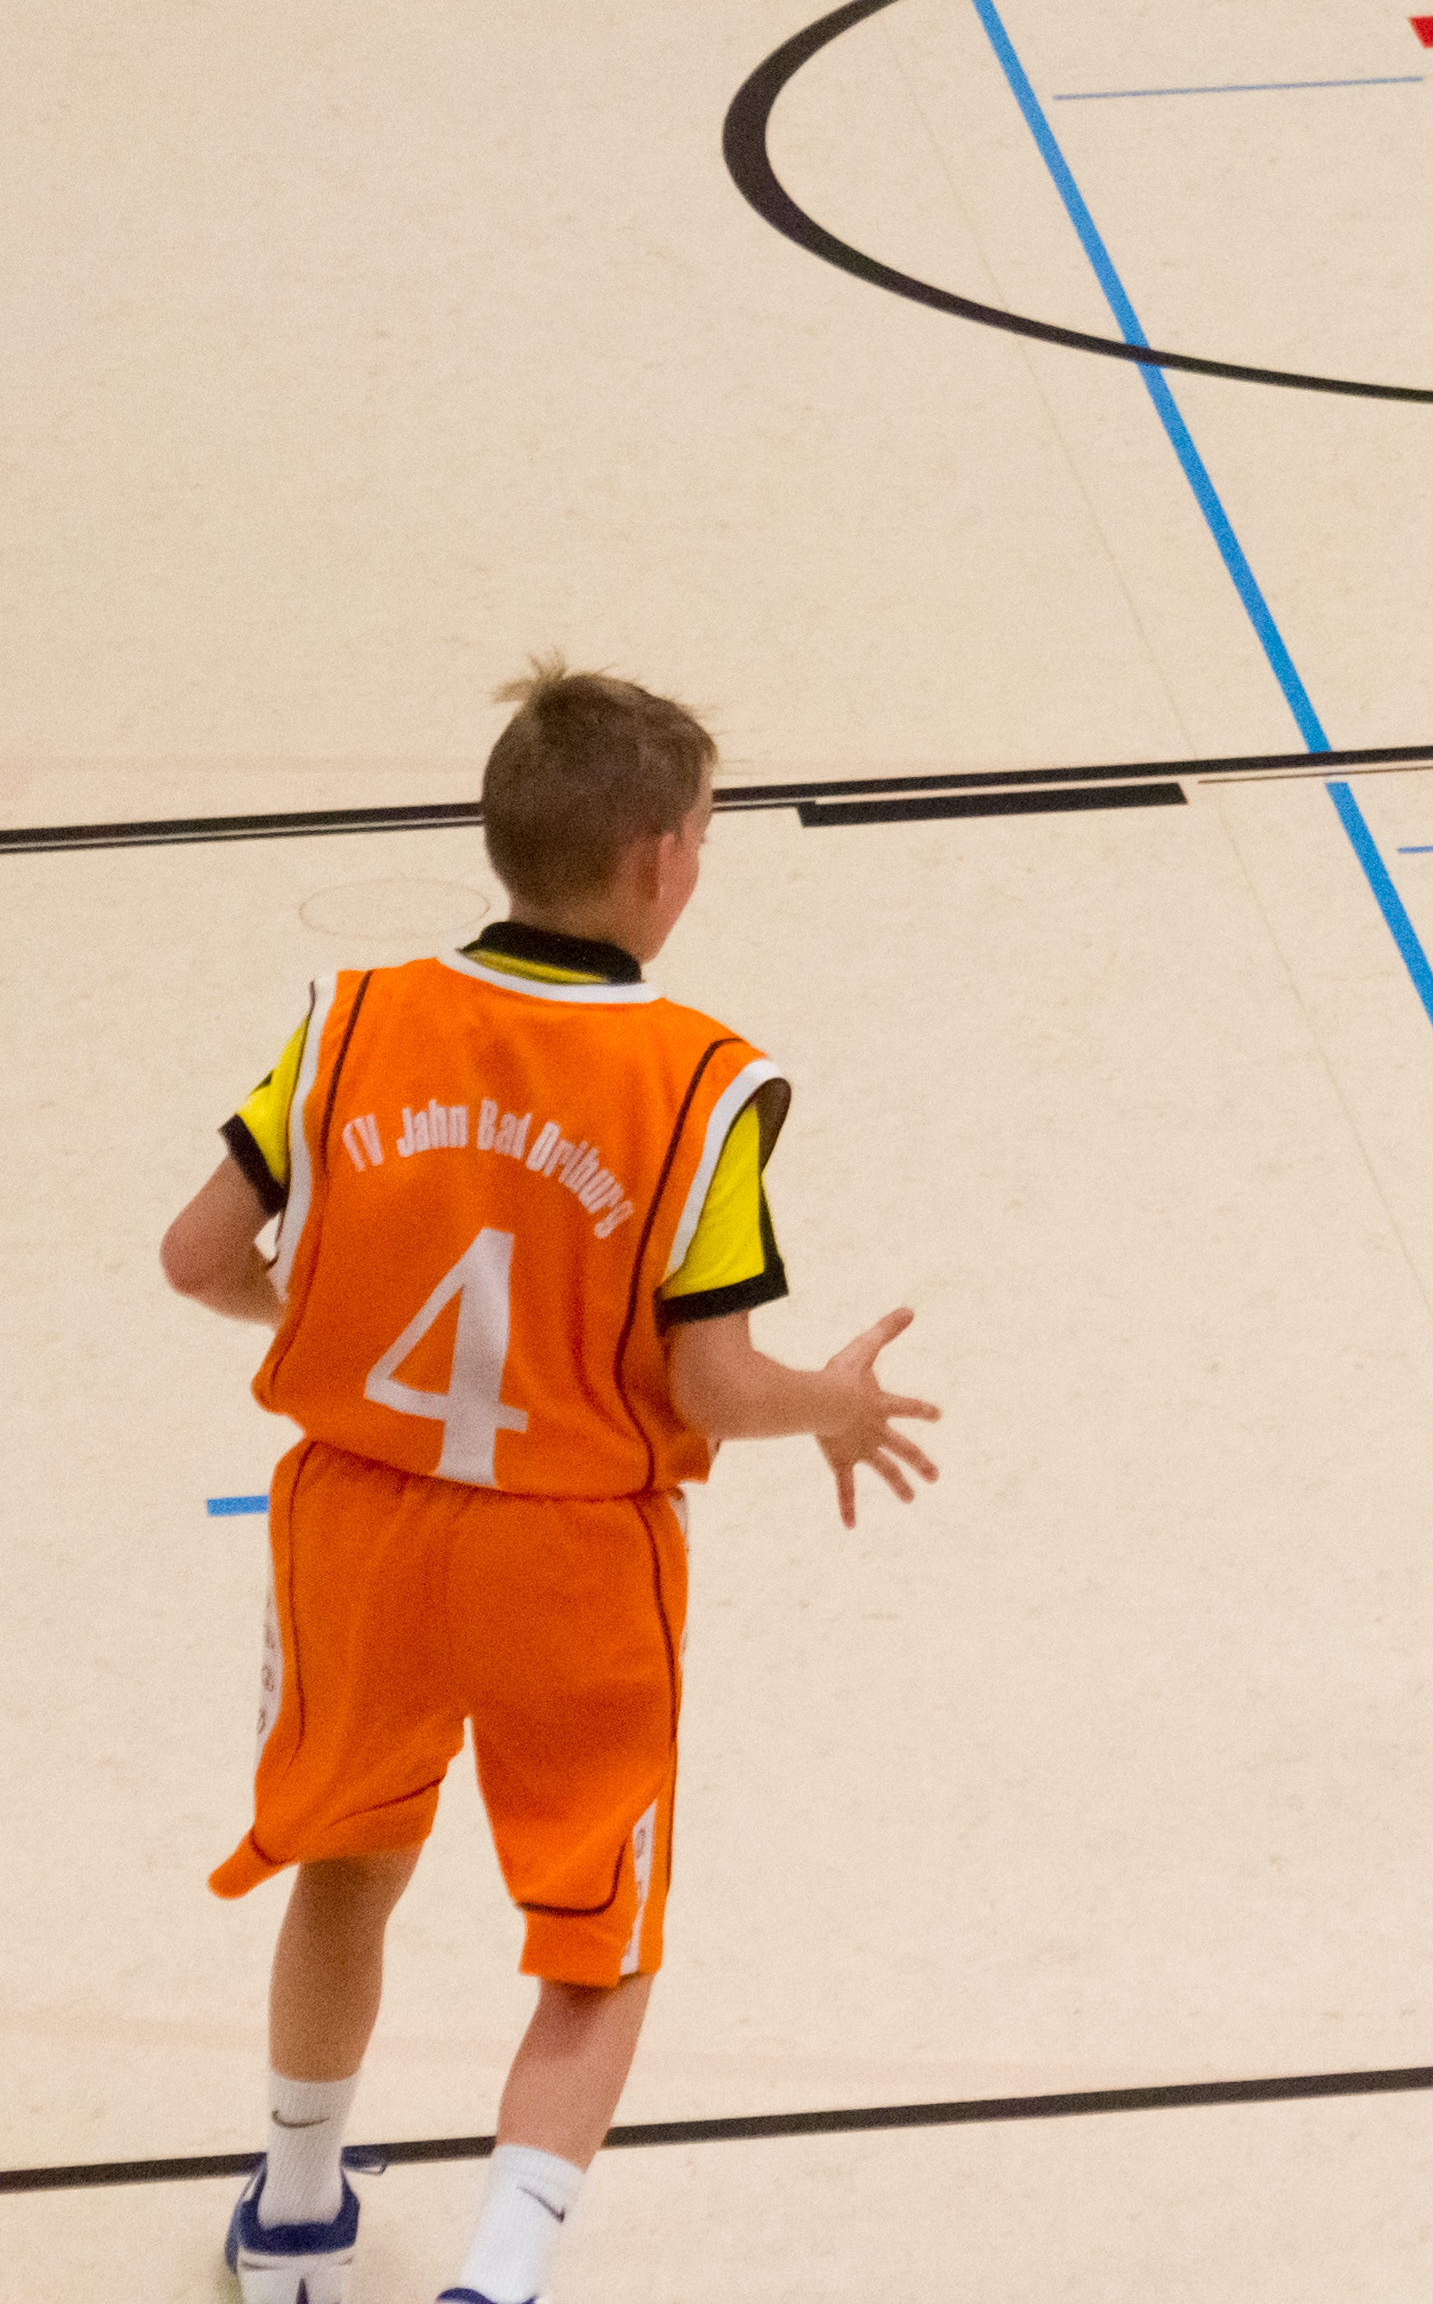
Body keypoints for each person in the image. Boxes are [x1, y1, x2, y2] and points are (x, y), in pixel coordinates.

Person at [160, 662, 943, 2304]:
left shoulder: (353, 1017)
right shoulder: (697, 1082)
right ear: (662, 858)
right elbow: (709, 1382)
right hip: (575, 1558)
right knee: (597, 1941)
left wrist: (329, 1311)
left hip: (357, 1527)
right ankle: (500, 2274)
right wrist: (835, 1403)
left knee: (348, 1870)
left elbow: (199, 1256)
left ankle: (294, 2217)